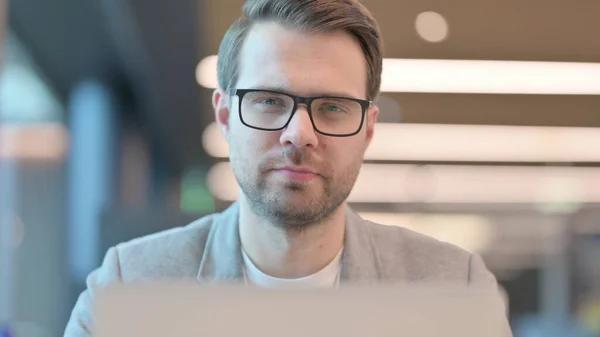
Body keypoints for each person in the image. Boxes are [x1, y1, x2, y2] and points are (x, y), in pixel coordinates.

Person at [64, 0, 512, 336]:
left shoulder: (454, 290)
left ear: (368, 130)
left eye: (333, 107)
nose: (299, 134)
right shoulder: (131, 286)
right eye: (269, 102)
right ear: (224, 116)